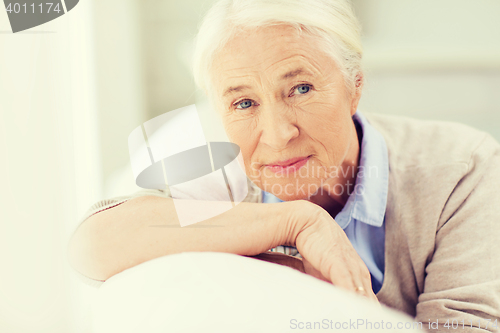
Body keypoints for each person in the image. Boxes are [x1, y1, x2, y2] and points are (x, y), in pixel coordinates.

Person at [68, 0, 500, 328]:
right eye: (244, 102)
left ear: (355, 87)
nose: (276, 134)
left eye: (301, 89)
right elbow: (91, 247)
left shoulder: (463, 170)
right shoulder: (219, 171)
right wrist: (298, 222)